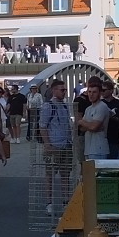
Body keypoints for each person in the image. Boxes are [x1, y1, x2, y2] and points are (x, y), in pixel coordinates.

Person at [39, 79, 73, 214]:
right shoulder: (48, 106)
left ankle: (66, 201)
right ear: (54, 90)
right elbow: (42, 126)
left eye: (65, 90)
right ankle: (49, 202)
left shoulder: (64, 105)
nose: (64, 92)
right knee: (50, 175)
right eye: (62, 90)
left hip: (65, 145)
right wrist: (47, 144)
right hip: (54, 146)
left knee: (65, 174)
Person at [77, 77, 112, 160]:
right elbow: (82, 129)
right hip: (88, 149)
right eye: (89, 92)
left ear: (100, 93)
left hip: (99, 150)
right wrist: (89, 125)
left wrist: (81, 121)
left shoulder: (102, 107)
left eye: (94, 92)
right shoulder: (88, 109)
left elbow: (93, 127)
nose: (91, 94)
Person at [102, 81, 119, 159]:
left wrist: (114, 117)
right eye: (101, 90)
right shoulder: (100, 104)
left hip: (114, 137)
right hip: (103, 137)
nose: (102, 92)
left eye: (104, 90)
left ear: (111, 90)